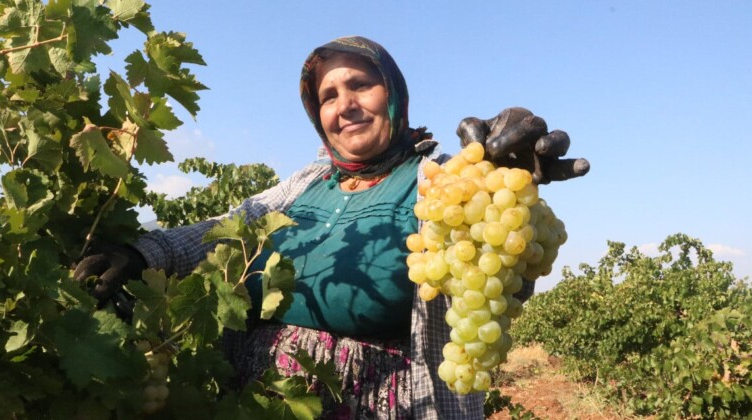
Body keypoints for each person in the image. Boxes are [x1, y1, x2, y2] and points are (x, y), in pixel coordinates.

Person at [75, 36, 588, 419]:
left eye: (360, 84)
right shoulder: (303, 184)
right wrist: (143, 254)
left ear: (394, 94)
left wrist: (506, 175)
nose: (344, 105)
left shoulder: (444, 183)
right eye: (327, 95)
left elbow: (502, 278)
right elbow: (222, 230)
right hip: (246, 405)